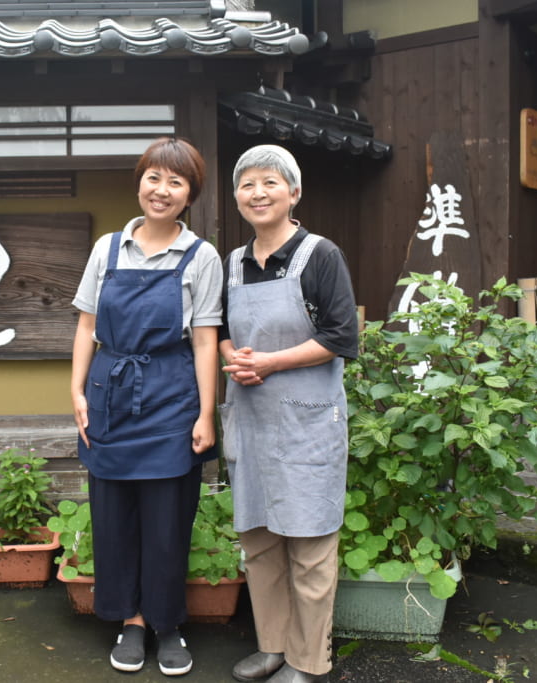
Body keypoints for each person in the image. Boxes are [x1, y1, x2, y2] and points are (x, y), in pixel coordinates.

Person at [70, 136, 223, 677]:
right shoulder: (107, 249)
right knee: (113, 516)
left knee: (167, 519)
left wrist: (207, 413)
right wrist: (76, 391)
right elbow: (88, 325)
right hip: (110, 392)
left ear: (189, 195)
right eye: (153, 177)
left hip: (171, 393)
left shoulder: (201, 256)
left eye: (175, 182)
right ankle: (130, 620)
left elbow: (205, 338)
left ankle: (167, 623)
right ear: (140, 181)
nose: (161, 190)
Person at [218, 145, 358, 683]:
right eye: (247, 184)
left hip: (307, 421)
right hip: (252, 417)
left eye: (270, 183)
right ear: (237, 197)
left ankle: (307, 661)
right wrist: (236, 360)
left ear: (293, 193)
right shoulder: (232, 263)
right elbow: (219, 330)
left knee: (309, 544)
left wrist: (271, 362)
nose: (258, 193)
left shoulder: (320, 255)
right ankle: (272, 645)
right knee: (259, 541)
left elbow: (342, 337)